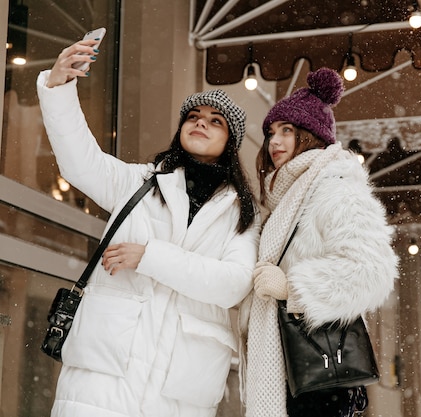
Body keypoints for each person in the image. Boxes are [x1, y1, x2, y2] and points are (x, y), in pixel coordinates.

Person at [36, 38, 260, 417]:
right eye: (193, 117)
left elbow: (232, 284)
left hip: (178, 396)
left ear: (230, 141)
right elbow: (79, 162)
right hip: (101, 386)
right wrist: (59, 87)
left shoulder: (240, 213)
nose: (200, 123)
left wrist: (150, 257)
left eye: (214, 121)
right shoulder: (138, 183)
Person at [241, 67, 398, 417]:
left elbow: (372, 270)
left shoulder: (336, 187)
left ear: (310, 136)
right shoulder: (283, 197)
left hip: (317, 373)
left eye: (287, 131)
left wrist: (291, 288)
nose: (274, 143)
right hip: (291, 368)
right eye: (270, 133)